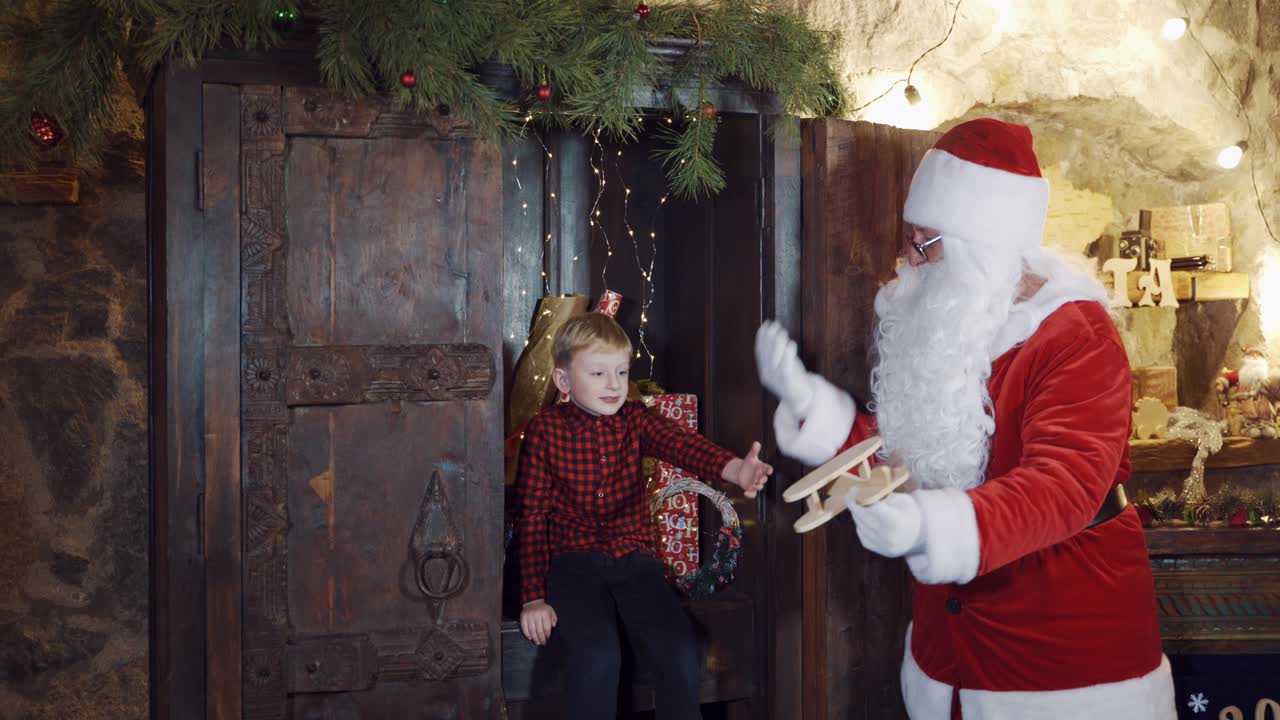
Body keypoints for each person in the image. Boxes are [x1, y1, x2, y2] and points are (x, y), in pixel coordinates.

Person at [755, 118, 1176, 719]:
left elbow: (1067, 484)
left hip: (1060, 657)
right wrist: (812, 406)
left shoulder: (1075, 336)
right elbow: (911, 450)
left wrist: (932, 528)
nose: (907, 259)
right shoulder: (959, 326)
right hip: (947, 652)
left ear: (979, 246)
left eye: (924, 243)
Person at [516, 312, 772, 720]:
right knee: (598, 657)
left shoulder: (635, 420)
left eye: (621, 371)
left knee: (679, 649)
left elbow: (683, 445)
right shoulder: (546, 432)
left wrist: (737, 469)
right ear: (564, 382)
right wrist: (532, 597)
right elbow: (530, 517)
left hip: (634, 562)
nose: (614, 384)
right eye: (598, 373)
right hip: (572, 565)